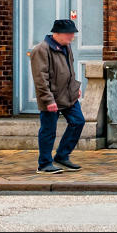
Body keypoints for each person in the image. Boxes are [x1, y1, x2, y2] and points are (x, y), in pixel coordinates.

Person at [28, 18, 84, 173]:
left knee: (78, 121)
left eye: (73, 34)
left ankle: (62, 156)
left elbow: (69, 70)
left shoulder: (67, 47)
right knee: (48, 130)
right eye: (69, 34)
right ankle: (44, 164)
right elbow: (40, 78)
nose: (72, 37)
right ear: (57, 33)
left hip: (68, 95)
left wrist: (75, 88)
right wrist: (47, 100)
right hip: (50, 98)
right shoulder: (41, 49)